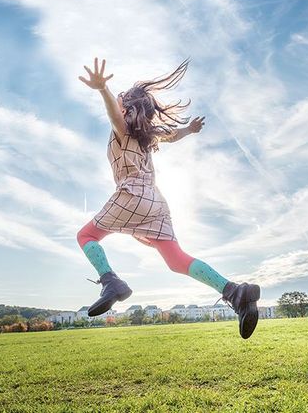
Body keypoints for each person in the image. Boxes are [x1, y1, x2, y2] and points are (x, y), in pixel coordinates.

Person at [77, 58, 261, 339]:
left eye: (122, 98)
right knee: (176, 260)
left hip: (132, 194)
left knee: (86, 236)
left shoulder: (122, 128)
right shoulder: (147, 136)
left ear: (126, 107)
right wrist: (189, 130)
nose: (119, 101)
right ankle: (235, 293)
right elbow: (171, 136)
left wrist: (103, 90)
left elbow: (114, 115)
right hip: (157, 202)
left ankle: (110, 281)